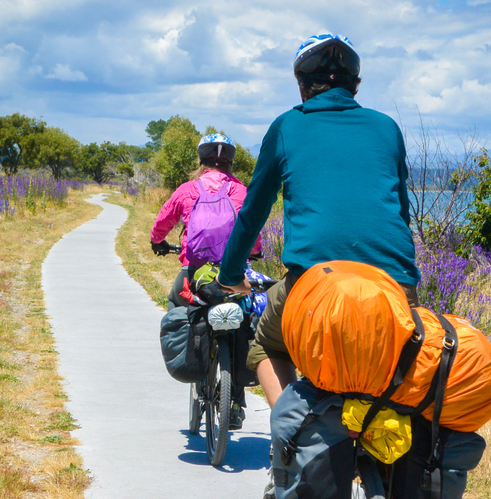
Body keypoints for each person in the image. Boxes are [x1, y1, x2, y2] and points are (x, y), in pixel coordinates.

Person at [217, 33, 421, 408]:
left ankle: (290, 440)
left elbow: (253, 213)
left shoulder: (286, 127)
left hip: (315, 287)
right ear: (355, 86)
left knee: (263, 343)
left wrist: (230, 274)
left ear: (301, 86)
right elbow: (402, 214)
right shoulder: (386, 128)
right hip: (396, 288)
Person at [150, 133, 261, 428]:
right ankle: (235, 400)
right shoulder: (240, 191)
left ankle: (192, 358)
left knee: (178, 303)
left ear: (201, 161)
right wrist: (257, 251)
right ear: (230, 164)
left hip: (195, 272)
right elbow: (253, 229)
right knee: (243, 321)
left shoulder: (188, 190)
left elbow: (162, 223)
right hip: (233, 274)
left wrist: (157, 242)